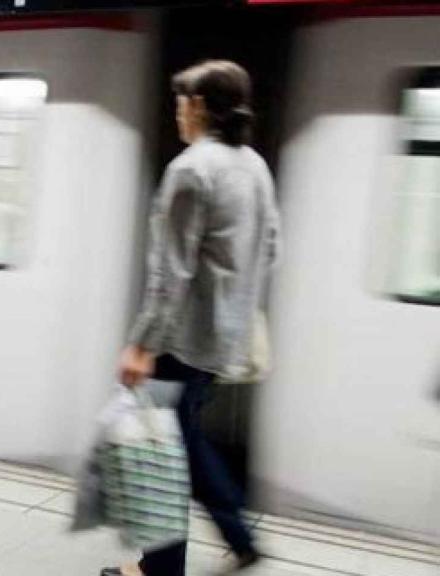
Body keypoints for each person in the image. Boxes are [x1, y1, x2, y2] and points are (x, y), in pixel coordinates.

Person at [105, 61, 279, 576]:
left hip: (181, 341)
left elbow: (170, 273)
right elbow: (271, 250)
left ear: (200, 106)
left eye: (181, 104)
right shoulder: (254, 165)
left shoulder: (190, 170)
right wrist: (234, 304)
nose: (177, 114)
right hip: (223, 340)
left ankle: (159, 570)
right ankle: (238, 535)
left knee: (159, 453)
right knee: (183, 439)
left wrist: (142, 343)